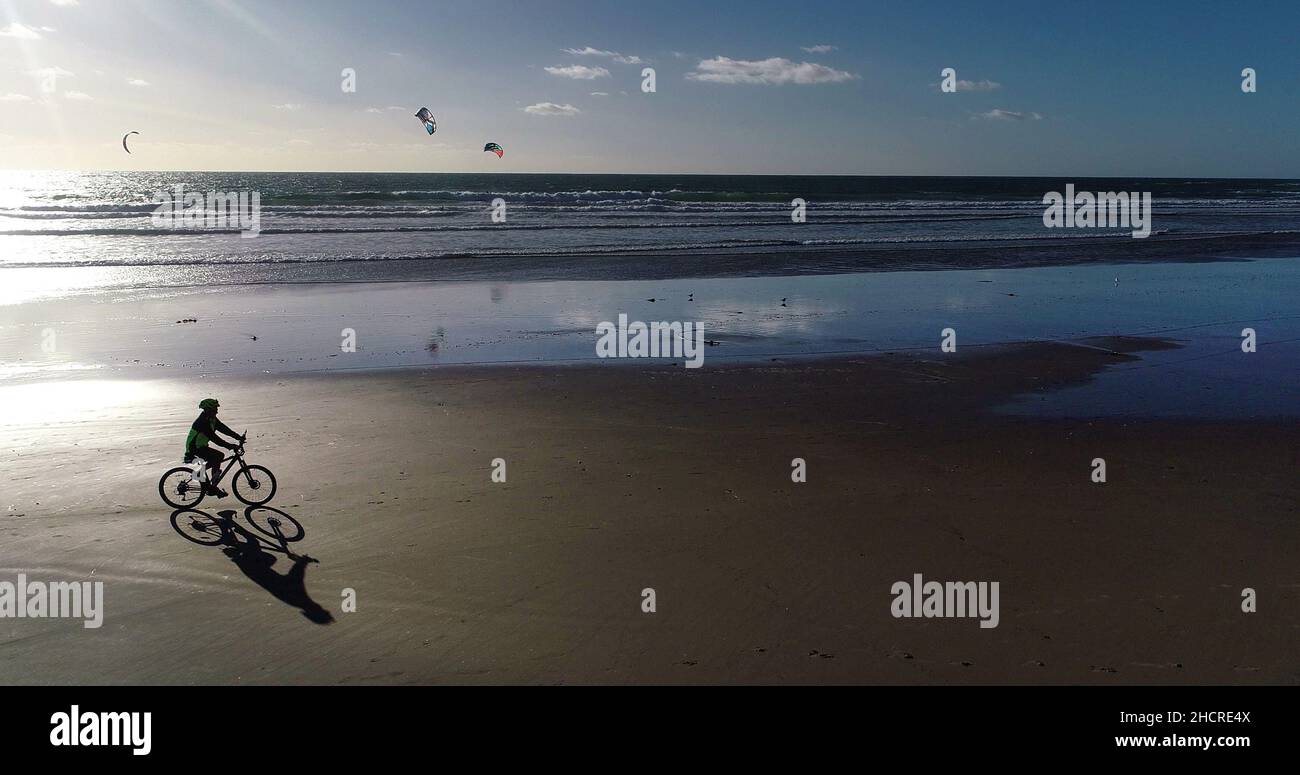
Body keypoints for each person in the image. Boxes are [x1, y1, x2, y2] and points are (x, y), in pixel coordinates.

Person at [184, 398, 243, 498]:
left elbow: (223, 428)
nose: (217, 410)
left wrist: (238, 437)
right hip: (194, 448)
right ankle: (208, 483)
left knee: (218, 456)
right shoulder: (202, 422)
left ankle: (210, 484)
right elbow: (214, 438)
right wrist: (230, 446)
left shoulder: (211, 419)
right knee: (217, 456)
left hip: (201, 446)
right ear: (208, 409)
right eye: (215, 408)